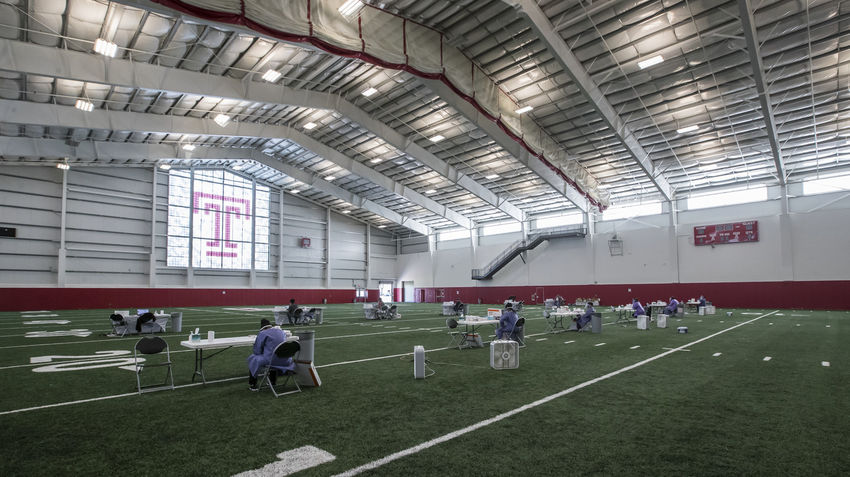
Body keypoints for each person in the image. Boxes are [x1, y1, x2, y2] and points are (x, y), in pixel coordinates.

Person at [247, 319, 295, 391]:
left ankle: (253, 384)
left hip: (271, 361)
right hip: (286, 360)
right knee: (274, 354)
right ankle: (272, 381)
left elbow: (257, 351)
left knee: (253, 358)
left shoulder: (263, 333)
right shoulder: (281, 332)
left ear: (262, 328)